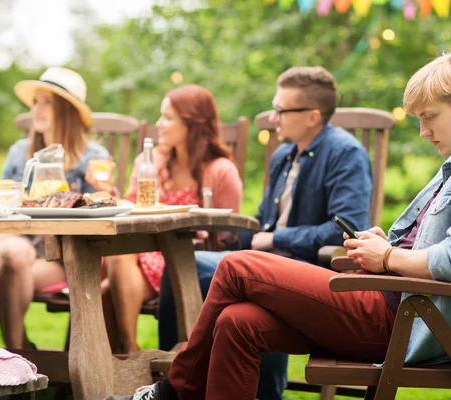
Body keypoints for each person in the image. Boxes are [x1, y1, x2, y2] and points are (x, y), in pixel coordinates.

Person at [107, 50, 451, 400]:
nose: (422, 130)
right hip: (394, 303)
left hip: (413, 318)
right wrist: (386, 245)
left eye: (429, 116)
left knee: (237, 266)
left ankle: (171, 392)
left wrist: (391, 257)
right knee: (238, 323)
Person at [158, 67, 372, 399]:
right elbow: (262, 222)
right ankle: (176, 377)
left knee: (199, 268)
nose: (273, 118)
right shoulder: (284, 154)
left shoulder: (345, 153)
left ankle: (186, 387)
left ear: (313, 115)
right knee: (182, 262)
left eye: (281, 110)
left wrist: (274, 240)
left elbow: (345, 229)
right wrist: (226, 235)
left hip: (309, 270)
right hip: (264, 262)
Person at [0, 67, 111, 349]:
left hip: (64, 257)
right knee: (8, 253)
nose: (37, 109)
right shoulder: (19, 152)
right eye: (36, 101)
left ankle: (18, 354)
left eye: (48, 102)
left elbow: (102, 209)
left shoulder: (93, 157)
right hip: (15, 243)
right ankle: (20, 354)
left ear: (68, 111)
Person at [101, 85, 243, 354]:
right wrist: (109, 191)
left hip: (185, 258)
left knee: (105, 292)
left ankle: (125, 360)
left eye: (167, 117)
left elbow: (228, 232)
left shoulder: (220, 170)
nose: (158, 125)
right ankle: (130, 354)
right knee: (115, 264)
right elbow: (131, 205)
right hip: (140, 254)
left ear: (192, 123)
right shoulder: (150, 160)